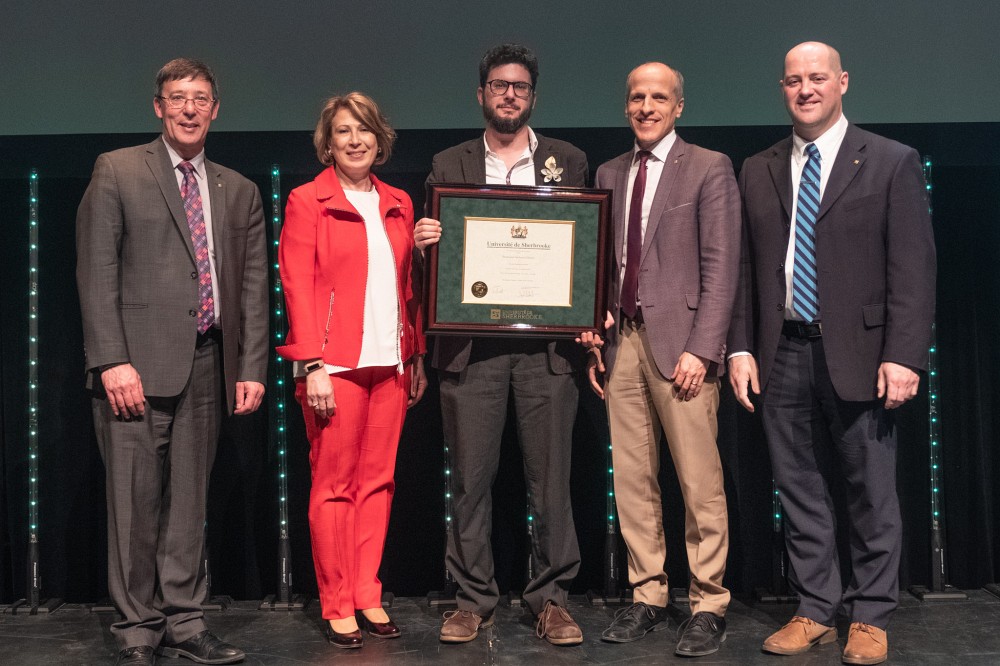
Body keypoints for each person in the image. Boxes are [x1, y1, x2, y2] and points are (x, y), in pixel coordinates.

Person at [727, 42, 936, 665]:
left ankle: (870, 615)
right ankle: (817, 607)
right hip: (782, 350)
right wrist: (739, 346)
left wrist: (904, 354)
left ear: (842, 81)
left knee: (870, 489)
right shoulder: (757, 167)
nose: (806, 89)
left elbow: (913, 268)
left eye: (817, 78)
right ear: (782, 89)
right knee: (799, 488)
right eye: (794, 80)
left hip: (862, 353)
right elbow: (746, 272)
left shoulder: (892, 161)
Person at [76, 58, 267, 666]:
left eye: (201, 98)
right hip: (133, 367)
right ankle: (137, 630)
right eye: (177, 98)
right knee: (134, 504)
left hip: (209, 364)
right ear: (158, 107)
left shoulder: (237, 189)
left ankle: (185, 623)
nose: (189, 108)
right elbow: (95, 270)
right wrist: (111, 360)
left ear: (216, 109)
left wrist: (252, 367)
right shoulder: (118, 170)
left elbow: (253, 287)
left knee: (190, 502)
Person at [413, 43, 588, 646]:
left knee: (552, 480)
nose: (508, 94)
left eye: (519, 86)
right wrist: (425, 242)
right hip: (471, 350)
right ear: (481, 94)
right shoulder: (448, 162)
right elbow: (439, 266)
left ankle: (551, 598)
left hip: (547, 352)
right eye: (497, 85)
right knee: (470, 479)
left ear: (532, 96)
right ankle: (472, 598)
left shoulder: (568, 160)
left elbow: (582, 253)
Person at [580, 62, 739, 657]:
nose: (647, 106)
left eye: (659, 97)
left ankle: (709, 601)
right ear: (627, 106)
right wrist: (595, 327)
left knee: (699, 481)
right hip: (624, 342)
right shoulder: (610, 172)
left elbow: (723, 267)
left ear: (679, 106)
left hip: (684, 349)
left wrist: (704, 347)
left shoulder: (709, 166)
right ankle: (649, 592)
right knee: (633, 480)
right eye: (637, 97)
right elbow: (606, 262)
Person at [276, 92, 427, 649]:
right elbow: (296, 284)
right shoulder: (306, 200)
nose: (355, 140)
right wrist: (312, 362)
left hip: (390, 366)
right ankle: (337, 600)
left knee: (378, 485)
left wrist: (414, 356)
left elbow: (406, 288)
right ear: (328, 142)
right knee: (333, 487)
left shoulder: (399, 202)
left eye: (363, 129)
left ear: (379, 138)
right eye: (343, 131)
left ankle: (367, 592)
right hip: (333, 366)